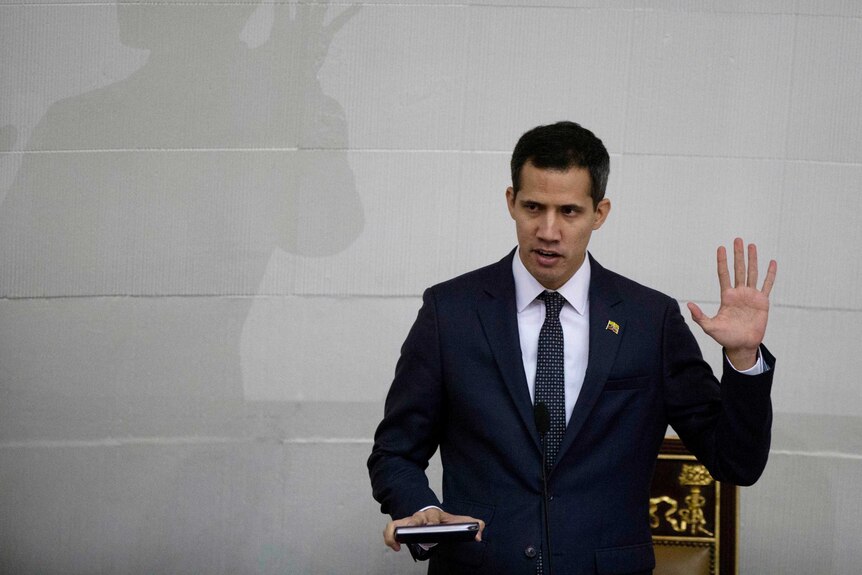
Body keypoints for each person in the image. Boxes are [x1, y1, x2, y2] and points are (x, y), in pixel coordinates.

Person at [367, 121, 777, 575]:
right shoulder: (451, 312)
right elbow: (395, 451)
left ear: (599, 213)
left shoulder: (650, 320)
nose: (548, 230)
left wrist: (743, 361)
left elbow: (737, 462)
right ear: (510, 203)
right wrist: (421, 508)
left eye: (568, 211)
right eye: (533, 207)